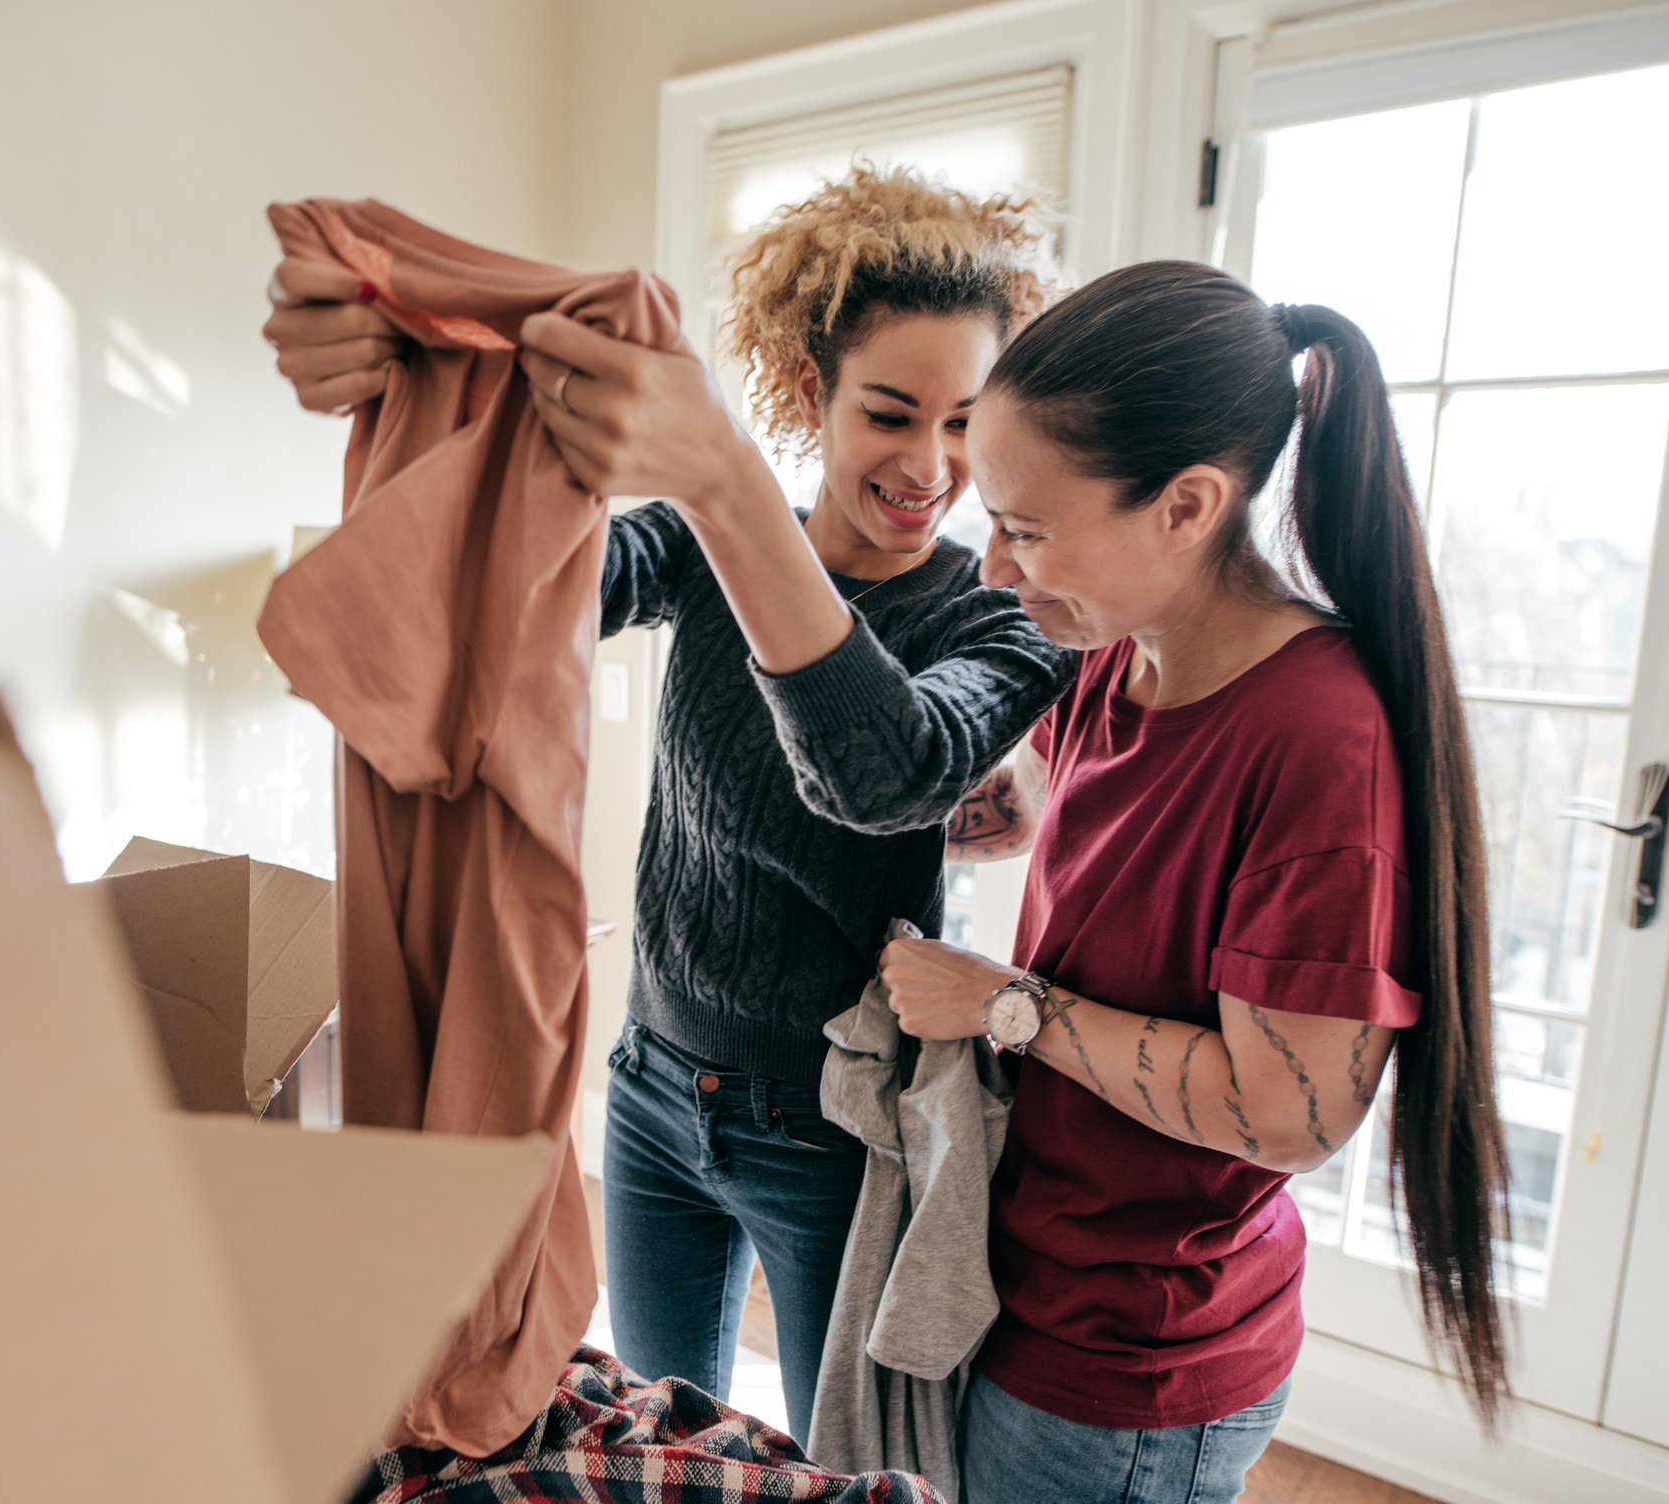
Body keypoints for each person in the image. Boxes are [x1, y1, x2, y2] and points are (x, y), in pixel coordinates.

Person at [262, 169, 1077, 1427]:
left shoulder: (995, 616)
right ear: (812, 393)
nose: (932, 465)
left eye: (965, 422)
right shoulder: (700, 548)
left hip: (829, 1130)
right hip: (650, 1086)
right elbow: (535, 576)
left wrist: (725, 484)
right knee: (660, 1444)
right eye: (893, 413)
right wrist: (429, 381)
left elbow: (890, 765)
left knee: (828, 1479)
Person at [877, 261, 1512, 1504]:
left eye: (1028, 531)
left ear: (1186, 506)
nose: (995, 567)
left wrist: (1007, 1005)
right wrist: (1002, 805)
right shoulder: (1119, 651)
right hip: (1039, 1279)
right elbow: (1106, 814)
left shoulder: (1318, 739)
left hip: (1132, 1361)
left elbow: (1288, 1111)